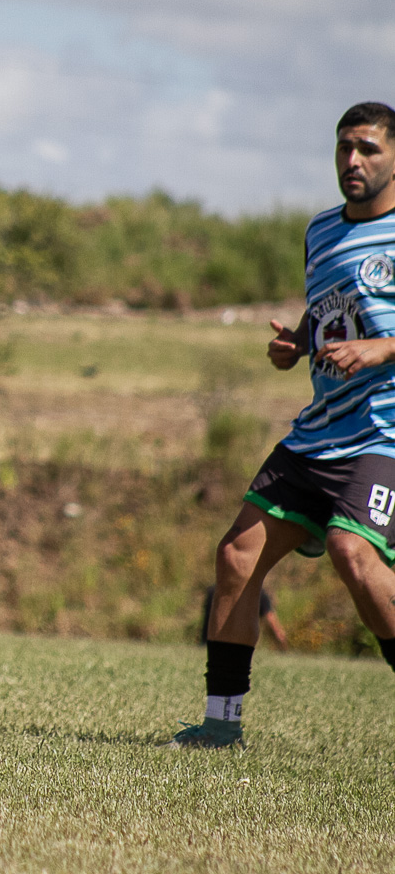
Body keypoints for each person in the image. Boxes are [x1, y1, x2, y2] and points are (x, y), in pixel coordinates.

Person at [166, 102, 395, 750]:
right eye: (344, 147)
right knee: (235, 557)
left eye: (369, 148)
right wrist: (298, 342)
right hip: (319, 433)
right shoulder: (320, 231)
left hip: (384, 434)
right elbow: (329, 311)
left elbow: (376, 338)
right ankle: (221, 726)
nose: (353, 160)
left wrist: (382, 349)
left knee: (354, 555)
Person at [199, 585, 286, 650]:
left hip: (208, 644)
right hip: (238, 648)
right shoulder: (258, 594)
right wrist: (283, 646)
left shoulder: (214, 590)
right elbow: (271, 622)